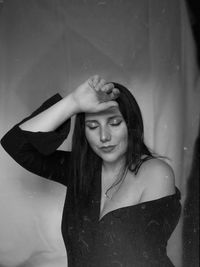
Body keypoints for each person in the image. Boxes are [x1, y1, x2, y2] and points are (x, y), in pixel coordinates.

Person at [1, 75, 181, 267]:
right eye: (93, 126)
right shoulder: (80, 170)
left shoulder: (155, 173)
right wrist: (74, 103)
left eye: (114, 123)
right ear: (84, 133)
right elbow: (16, 144)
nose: (104, 136)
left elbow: (141, 257)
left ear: (131, 125)